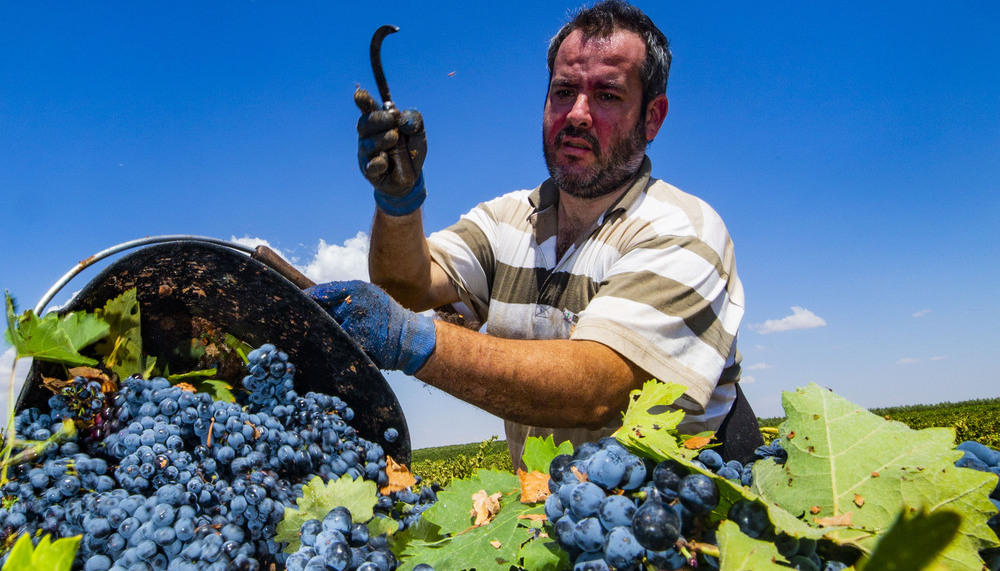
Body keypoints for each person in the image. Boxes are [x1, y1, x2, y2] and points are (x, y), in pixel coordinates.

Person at [308, 0, 763, 466]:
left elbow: (599, 388)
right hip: (551, 518)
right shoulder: (506, 218)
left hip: (681, 523)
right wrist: (398, 203)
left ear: (653, 117)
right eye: (564, 91)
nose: (578, 114)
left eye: (607, 95)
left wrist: (408, 339)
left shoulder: (681, 228)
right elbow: (407, 286)